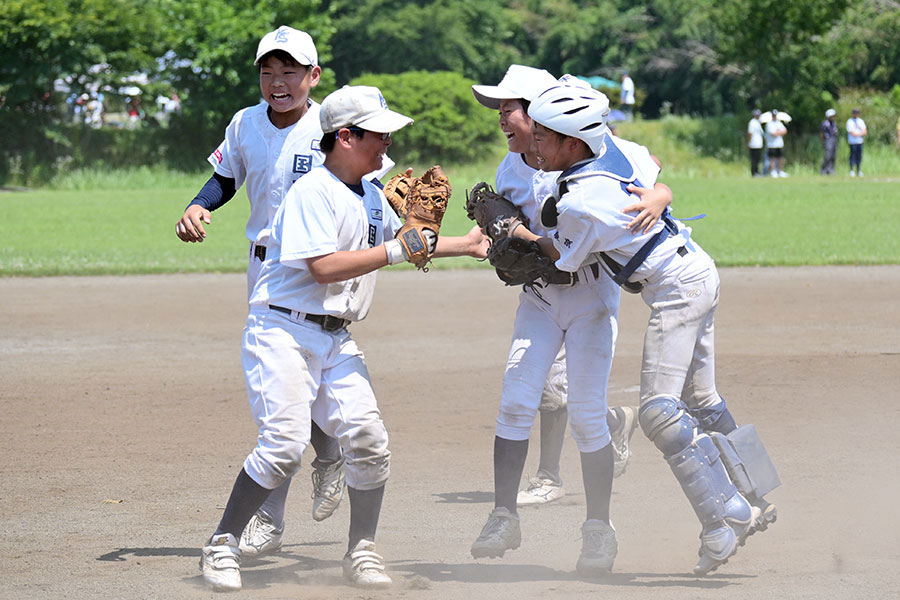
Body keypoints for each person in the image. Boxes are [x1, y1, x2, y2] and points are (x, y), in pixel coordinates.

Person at [198, 84, 489, 592]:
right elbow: (324, 268)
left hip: (335, 340)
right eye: (380, 135)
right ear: (347, 137)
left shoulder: (373, 194)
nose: (388, 145)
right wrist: (400, 250)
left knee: (370, 442)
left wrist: (470, 244)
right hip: (282, 332)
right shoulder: (312, 191)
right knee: (284, 448)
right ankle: (222, 543)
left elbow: (411, 240)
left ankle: (362, 551)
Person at [523, 84, 780, 576]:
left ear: (574, 143)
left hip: (676, 287)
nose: (533, 144)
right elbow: (654, 163)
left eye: (543, 136)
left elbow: (564, 261)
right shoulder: (614, 146)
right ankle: (756, 493)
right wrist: (661, 193)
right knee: (700, 399)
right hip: (698, 269)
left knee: (660, 412)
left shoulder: (580, 202)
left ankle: (729, 516)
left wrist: (519, 235)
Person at [469, 72, 674, 578]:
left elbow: (651, 173)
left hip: (592, 298)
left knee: (585, 413)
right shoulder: (510, 167)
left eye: (508, 109)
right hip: (539, 298)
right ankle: (503, 515)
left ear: (541, 115)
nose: (501, 119)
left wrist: (661, 195)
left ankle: (599, 529)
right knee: (516, 398)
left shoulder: (599, 148)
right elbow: (501, 232)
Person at [176, 26, 351, 561]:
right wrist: (200, 203)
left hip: (315, 268)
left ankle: (278, 507)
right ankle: (313, 471)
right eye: (267, 71)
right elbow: (227, 175)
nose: (277, 82)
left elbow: (368, 180)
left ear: (313, 76)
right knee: (283, 397)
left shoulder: (331, 127)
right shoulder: (244, 122)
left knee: (306, 389)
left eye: (289, 71)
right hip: (264, 271)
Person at [764, 109, 788, 177]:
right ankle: (773, 171)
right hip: (771, 145)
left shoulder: (779, 123)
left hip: (779, 144)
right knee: (772, 159)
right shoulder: (769, 124)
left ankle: (780, 171)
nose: (774, 116)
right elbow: (773, 134)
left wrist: (778, 132)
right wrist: (779, 132)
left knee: (781, 158)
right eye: (773, 115)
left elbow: (785, 131)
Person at [847, 107, 867, 176]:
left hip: (860, 141)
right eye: (855, 112)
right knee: (852, 156)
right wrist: (859, 133)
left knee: (859, 156)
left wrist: (858, 134)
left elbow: (865, 131)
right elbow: (852, 132)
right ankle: (851, 170)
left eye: (857, 113)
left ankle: (858, 170)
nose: (856, 114)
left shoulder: (861, 121)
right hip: (852, 142)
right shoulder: (850, 121)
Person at [820, 108, 839, 175]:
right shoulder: (825, 123)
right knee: (827, 156)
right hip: (828, 140)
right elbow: (822, 133)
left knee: (833, 155)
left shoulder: (833, 123)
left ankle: (830, 169)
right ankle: (823, 169)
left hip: (833, 139)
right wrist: (823, 142)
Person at [747, 109, 764, 177]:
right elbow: (750, 133)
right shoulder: (752, 122)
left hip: (758, 144)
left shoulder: (758, 122)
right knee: (754, 159)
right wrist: (749, 142)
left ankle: (757, 172)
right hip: (753, 144)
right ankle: (754, 172)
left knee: (758, 159)